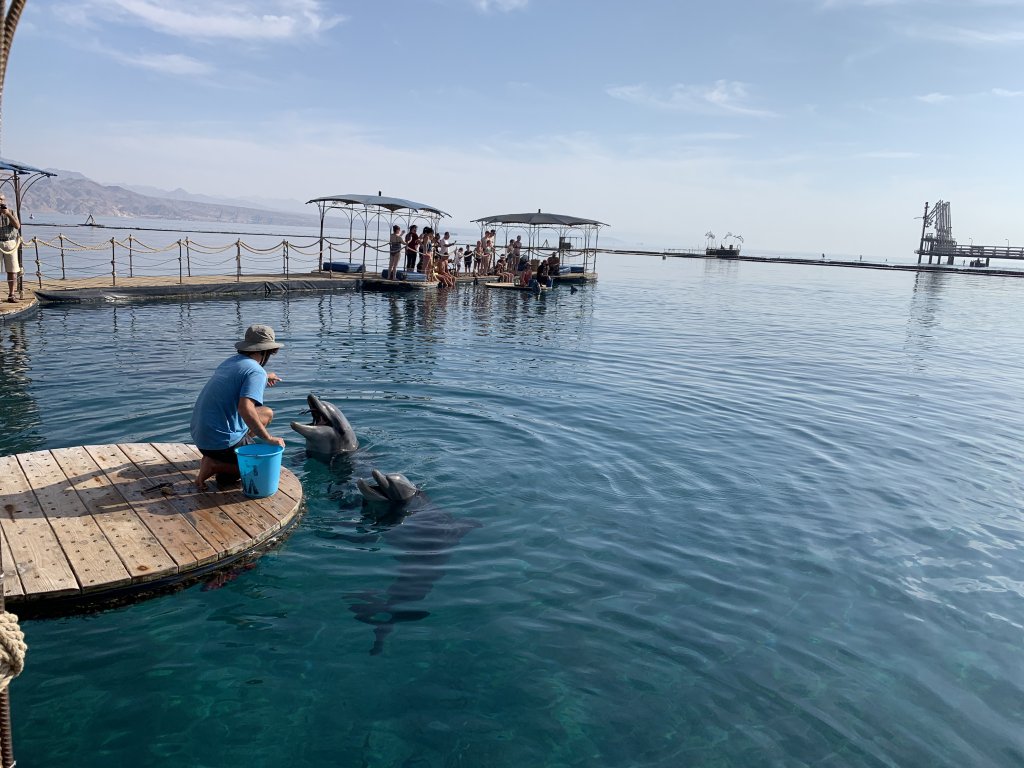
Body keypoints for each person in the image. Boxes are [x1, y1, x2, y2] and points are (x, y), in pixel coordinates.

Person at [191, 324, 285, 491]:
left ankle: (222, 456)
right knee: (258, 469)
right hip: (220, 442)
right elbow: (245, 408)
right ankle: (214, 464)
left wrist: (265, 377)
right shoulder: (255, 372)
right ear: (266, 352)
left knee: (266, 413)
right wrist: (268, 438)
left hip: (202, 437)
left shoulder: (231, 362)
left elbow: (241, 378)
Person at [0, 195, 21, 303]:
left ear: (4, 200)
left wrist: (7, 214)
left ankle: (11, 294)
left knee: (12, 269)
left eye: (1, 199)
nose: (0, 201)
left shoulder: (11, 212)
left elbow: (17, 226)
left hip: (10, 243)